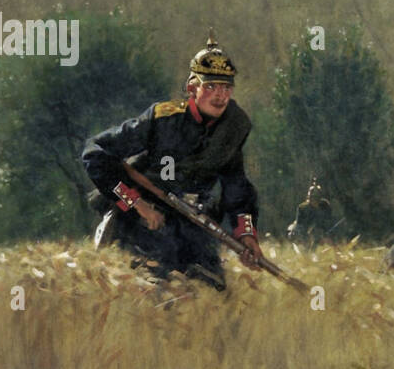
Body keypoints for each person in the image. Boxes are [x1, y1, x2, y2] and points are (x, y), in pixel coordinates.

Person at [82, 30, 263, 290]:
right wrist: (136, 203)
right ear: (192, 88)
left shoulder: (234, 126)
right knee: (157, 286)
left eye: (226, 87)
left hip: (194, 220)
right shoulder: (163, 119)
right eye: (211, 86)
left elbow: (236, 186)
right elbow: (95, 151)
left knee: (214, 289)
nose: (220, 95)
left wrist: (246, 234)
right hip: (147, 218)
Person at [285, 176, 334, 245]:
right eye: (313, 198)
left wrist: (325, 235)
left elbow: (328, 222)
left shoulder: (325, 206)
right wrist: (307, 237)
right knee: (294, 233)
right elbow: (300, 225)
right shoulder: (302, 208)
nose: (314, 201)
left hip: (320, 232)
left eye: (316, 198)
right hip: (305, 232)